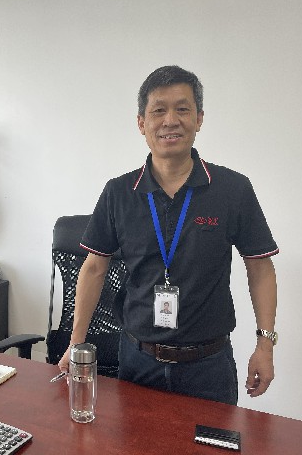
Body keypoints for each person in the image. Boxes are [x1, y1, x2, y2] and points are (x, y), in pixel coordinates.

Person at [58, 66, 278, 405]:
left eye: (182, 109)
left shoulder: (233, 189)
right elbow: (94, 268)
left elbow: (260, 268)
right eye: (158, 110)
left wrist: (265, 345)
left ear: (199, 118)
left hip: (208, 366)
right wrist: (76, 344)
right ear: (141, 123)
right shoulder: (119, 192)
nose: (170, 121)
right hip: (137, 360)